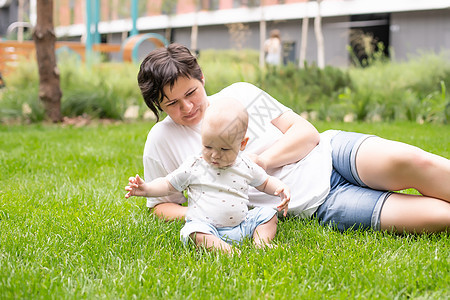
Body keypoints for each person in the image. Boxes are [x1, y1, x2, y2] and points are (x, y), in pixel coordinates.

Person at [136, 43, 450, 234]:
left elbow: (306, 133)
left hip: (333, 152)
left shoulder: (240, 93)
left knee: (415, 162)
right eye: (172, 104)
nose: (187, 107)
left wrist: (261, 161)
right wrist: (206, 214)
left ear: (202, 78)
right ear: (158, 106)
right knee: (439, 216)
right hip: (320, 202)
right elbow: (160, 206)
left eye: (191, 92)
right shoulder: (161, 140)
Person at [125, 97, 291, 254]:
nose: (214, 155)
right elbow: (168, 184)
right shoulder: (194, 166)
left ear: (242, 144)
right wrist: (146, 188)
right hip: (207, 229)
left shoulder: (246, 165)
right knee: (192, 232)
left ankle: (262, 244)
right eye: (208, 146)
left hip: (241, 225)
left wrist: (280, 187)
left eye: (224, 149)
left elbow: (265, 182)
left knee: (267, 214)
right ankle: (229, 251)